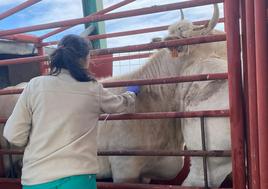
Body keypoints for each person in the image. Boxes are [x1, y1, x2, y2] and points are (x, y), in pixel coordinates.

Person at [3, 34, 140, 189]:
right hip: (77, 179)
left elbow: (13, 135)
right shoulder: (92, 88)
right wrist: (131, 94)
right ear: (86, 59)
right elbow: (120, 106)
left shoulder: (35, 85)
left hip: (36, 180)